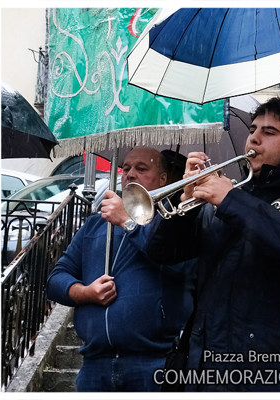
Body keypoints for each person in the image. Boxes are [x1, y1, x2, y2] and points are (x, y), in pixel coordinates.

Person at [143, 97, 280, 391]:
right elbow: (161, 251)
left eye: (269, 133)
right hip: (208, 364)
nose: (254, 138)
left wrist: (231, 200)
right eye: (253, 129)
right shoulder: (230, 198)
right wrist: (185, 200)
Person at [46, 147, 196, 392]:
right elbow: (55, 280)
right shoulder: (96, 225)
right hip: (95, 365)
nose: (130, 174)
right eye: (126, 168)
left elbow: (181, 268)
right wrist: (85, 292)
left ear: (163, 179)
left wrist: (129, 221)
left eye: (142, 168)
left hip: (153, 364)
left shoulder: (173, 223)